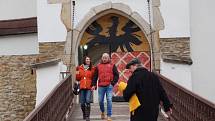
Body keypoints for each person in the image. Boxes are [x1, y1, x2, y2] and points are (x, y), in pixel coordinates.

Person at [91, 53, 119, 121]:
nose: (104, 59)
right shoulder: (98, 66)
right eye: (103, 57)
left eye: (106, 58)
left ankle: (109, 115)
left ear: (108, 58)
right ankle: (103, 111)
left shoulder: (112, 65)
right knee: (100, 101)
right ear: (102, 58)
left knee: (109, 100)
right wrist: (93, 85)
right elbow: (95, 76)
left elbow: (116, 75)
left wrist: (112, 83)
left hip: (109, 85)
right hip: (101, 86)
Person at [76, 56, 95, 121]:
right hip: (82, 87)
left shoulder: (92, 68)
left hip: (89, 87)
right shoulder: (79, 68)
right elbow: (77, 78)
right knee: (82, 103)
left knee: (87, 100)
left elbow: (94, 78)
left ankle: (87, 116)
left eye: (89, 59)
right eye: (87, 59)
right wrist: (77, 72)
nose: (88, 60)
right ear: (84, 60)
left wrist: (94, 85)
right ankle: (84, 113)